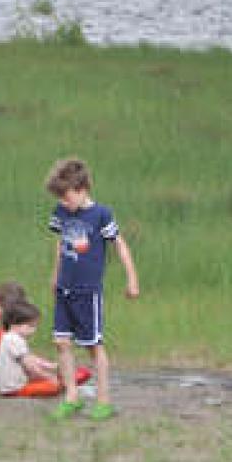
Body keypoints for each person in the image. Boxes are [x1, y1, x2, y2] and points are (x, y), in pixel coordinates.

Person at [44, 158, 140, 420]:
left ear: (82, 188)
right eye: (60, 197)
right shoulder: (61, 212)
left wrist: (132, 278)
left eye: (67, 196)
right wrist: (55, 275)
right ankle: (72, 396)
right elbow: (59, 245)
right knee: (61, 342)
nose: (64, 202)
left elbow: (119, 245)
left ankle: (103, 400)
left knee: (92, 345)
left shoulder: (101, 214)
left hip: (87, 291)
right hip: (65, 287)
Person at [0, 300, 63, 397]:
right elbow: (30, 366)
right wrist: (50, 377)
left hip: (13, 385)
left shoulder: (10, 337)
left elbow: (31, 358)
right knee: (55, 386)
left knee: (53, 381)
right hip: (15, 388)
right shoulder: (14, 340)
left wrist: (51, 366)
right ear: (14, 324)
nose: (34, 330)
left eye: (35, 326)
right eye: (30, 326)